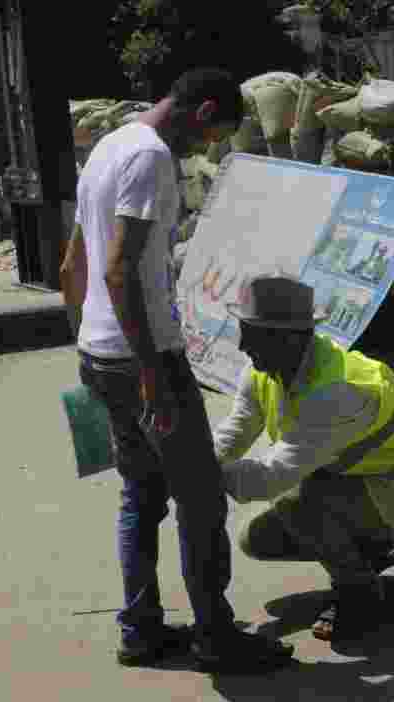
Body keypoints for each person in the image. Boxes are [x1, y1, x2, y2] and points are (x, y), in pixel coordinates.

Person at [58, 68, 294, 670]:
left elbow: (71, 266)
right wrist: (149, 373)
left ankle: (140, 629)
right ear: (202, 109)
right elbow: (117, 270)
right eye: (213, 134)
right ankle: (216, 635)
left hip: (99, 351)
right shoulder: (151, 158)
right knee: (200, 497)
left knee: (141, 493)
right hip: (146, 357)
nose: (208, 148)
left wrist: (88, 344)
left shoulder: (109, 144)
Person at [213, 275, 394, 642]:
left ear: (288, 338)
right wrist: (197, 458)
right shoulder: (263, 369)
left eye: (251, 334)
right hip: (346, 480)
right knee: (256, 539)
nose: (242, 345)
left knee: (293, 500)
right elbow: (235, 431)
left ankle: (360, 593)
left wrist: (198, 474)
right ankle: (372, 550)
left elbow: (274, 475)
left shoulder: (335, 391)